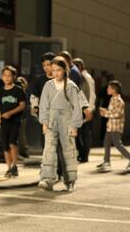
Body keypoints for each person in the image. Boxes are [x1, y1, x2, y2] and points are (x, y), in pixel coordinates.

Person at [38, 56, 83, 192]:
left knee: (68, 150)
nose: (55, 73)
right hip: (51, 121)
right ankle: (47, 179)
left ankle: (70, 179)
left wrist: (75, 125)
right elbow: (43, 104)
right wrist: (44, 121)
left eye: (58, 70)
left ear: (65, 70)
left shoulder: (71, 86)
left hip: (67, 121)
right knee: (49, 150)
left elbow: (77, 107)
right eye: (53, 70)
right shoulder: (48, 85)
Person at [0, 66, 26, 178]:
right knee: (5, 145)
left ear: (14, 77)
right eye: (4, 75)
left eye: (9, 75)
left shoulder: (18, 90)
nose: (7, 78)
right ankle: (8, 168)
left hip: (15, 121)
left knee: (13, 142)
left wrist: (10, 113)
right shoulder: (0, 92)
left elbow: (22, 105)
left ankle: (14, 166)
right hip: (4, 122)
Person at [97, 80, 130, 172]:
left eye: (109, 88)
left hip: (116, 127)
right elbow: (112, 111)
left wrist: (105, 114)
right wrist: (105, 111)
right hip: (110, 126)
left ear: (114, 90)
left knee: (118, 145)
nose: (107, 89)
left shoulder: (119, 101)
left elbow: (117, 114)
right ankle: (106, 162)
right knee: (106, 143)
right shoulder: (112, 99)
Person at [73, 58, 95, 162]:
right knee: (80, 134)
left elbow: (91, 94)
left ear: (80, 67)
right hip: (83, 109)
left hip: (87, 109)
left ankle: (84, 155)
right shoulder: (81, 77)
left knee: (85, 134)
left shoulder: (87, 77)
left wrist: (89, 109)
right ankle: (82, 154)